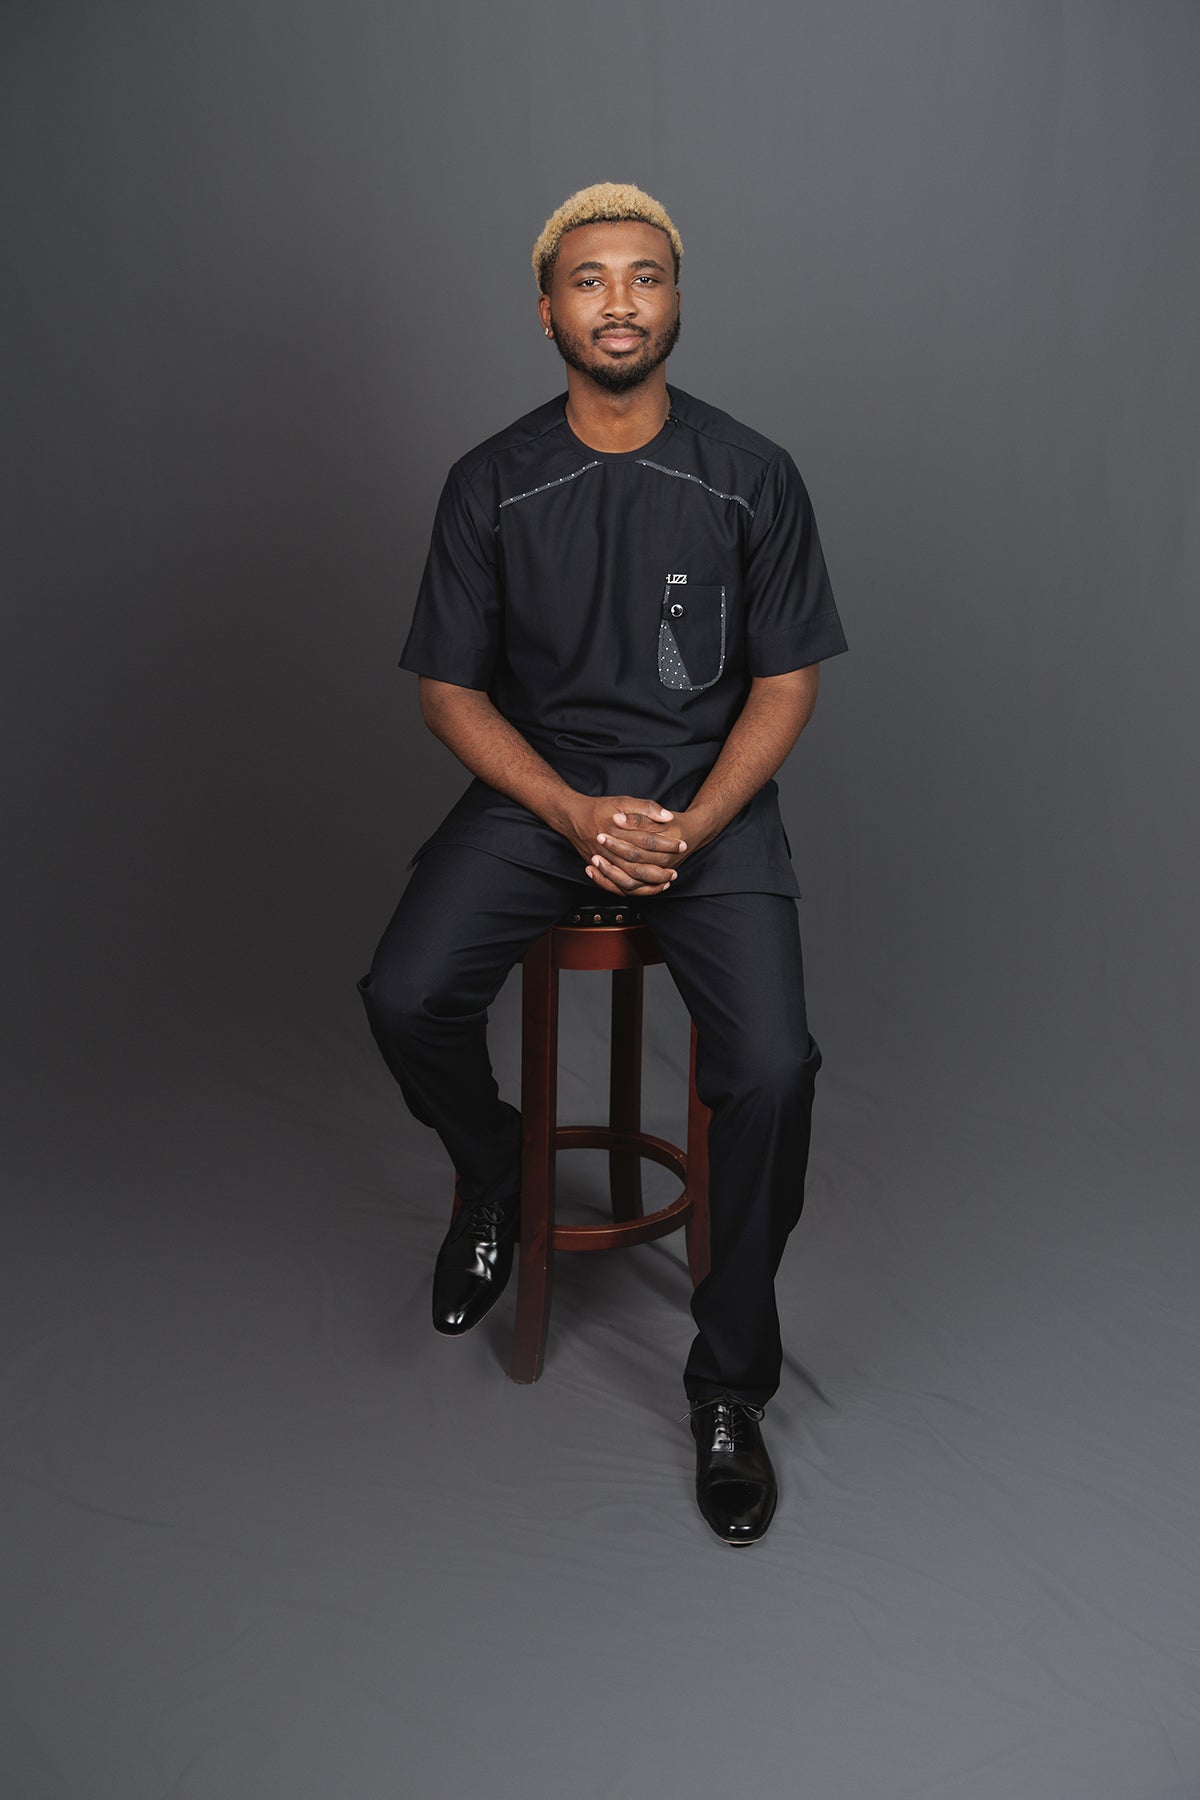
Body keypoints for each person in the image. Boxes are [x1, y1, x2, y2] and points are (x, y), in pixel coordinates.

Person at [357, 181, 849, 1547]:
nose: (619, 301)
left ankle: (729, 1388)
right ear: (547, 312)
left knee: (774, 1071)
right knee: (404, 995)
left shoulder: (752, 473)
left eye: (644, 276)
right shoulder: (492, 481)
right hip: (544, 796)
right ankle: (493, 1174)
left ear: (675, 301)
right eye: (590, 279)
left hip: (710, 804)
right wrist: (574, 813)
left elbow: (787, 681)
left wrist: (692, 822)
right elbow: (451, 693)